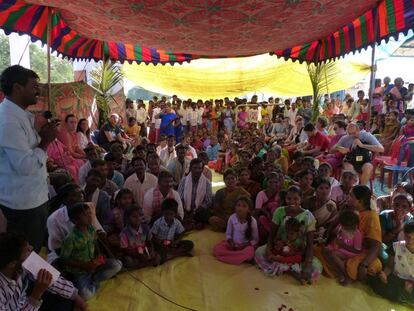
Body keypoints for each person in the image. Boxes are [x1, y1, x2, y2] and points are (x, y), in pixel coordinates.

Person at [0, 65, 58, 252]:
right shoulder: (8, 120)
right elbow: (25, 166)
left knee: (33, 249)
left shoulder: (21, 115)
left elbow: (29, 151)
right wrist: (46, 142)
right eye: (34, 86)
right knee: (25, 255)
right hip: (23, 204)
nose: (38, 91)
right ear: (17, 88)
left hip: (34, 197)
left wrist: (42, 136)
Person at [0, 232, 87, 311]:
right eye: (27, 250)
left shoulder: (21, 263)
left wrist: (76, 297)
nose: (31, 248)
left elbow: (52, 278)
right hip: (23, 305)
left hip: (24, 300)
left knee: (67, 297)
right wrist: (36, 295)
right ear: (12, 263)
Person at [255, 186, 322, 283]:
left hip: (298, 251)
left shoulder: (308, 216)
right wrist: (269, 250)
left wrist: (308, 263)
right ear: (285, 199)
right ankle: (291, 270)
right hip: (280, 249)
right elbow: (271, 235)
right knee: (259, 253)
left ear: (301, 199)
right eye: (289, 198)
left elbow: (310, 243)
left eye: (296, 199)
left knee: (315, 269)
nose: (292, 202)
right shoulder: (279, 211)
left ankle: (282, 267)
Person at [317, 185, 383, 282]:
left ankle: (344, 273)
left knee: (371, 266)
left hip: (359, 252)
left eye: (351, 196)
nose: (347, 198)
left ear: (360, 201)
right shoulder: (352, 209)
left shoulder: (371, 217)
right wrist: (341, 210)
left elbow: (376, 245)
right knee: (319, 251)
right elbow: (333, 225)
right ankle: (341, 271)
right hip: (343, 246)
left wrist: (364, 265)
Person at [60, 203, 122, 300]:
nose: (90, 216)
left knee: (117, 264)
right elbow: (64, 259)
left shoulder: (91, 229)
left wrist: (99, 254)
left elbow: (95, 242)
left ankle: (94, 279)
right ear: (75, 220)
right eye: (85, 215)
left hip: (94, 265)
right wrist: (85, 266)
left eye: (90, 213)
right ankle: (93, 282)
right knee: (85, 295)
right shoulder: (70, 238)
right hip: (80, 271)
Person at [368, 221, 414, 305]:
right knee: (379, 283)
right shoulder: (397, 247)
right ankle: (404, 298)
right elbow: (389, 266)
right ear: (404, 235)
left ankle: (404, 297)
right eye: (408, 237)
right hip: (397, 278)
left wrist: (411, 284)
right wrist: (385, 275)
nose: (410, 241)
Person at [213, 196, 259, 265]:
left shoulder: (253, 221)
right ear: (235, 207)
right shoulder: (232, 218)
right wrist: (231, 243)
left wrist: (244, 245)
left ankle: (231, 257)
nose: (240, 208)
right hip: (233, 245)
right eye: (238, 205)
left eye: (244, 206)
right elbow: (228, 234)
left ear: (248, 209)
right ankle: (238, 258)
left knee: (250, 251)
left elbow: (255, 240)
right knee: (217, 249)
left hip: (245, 247)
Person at [323, 210, 363, 285]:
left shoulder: (357, 234)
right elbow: (339, 239)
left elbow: (357, 251)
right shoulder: (343, 229)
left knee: (333, 254)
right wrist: (336, 241)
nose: (344, 228)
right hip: (342, 249)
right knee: (325, 250)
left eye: (346, 226)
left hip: (351, 252)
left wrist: (342, 245)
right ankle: (339, 272)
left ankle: (347, 275)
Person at [151, 199, 194, 263]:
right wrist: (159, 242)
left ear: (175, 214)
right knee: (160, 252)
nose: (168, 216)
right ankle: (177, 253)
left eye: (171, 214)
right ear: (162, 212)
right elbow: (152, 236)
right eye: (166, 214)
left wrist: (177, 241)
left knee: (190, 244)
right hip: (161, 244)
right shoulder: (157, 223)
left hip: (171, 243)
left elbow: (181, 232)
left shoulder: (176, 222)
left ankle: (172, 254)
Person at [178, 158, 213, 228]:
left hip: (199, 211)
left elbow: (207, 201)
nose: (197, 170)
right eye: (195, 168)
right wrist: (184, 211)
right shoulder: (184, 181)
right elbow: (180, 197)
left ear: (202, 169)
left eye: (199, 168)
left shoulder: (207, 183)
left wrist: (195, 212)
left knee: (206, 213)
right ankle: (192, 223)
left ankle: (191, 222)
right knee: (176, 214)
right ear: (190, 169)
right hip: (185, 210)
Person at [302, 178, 337, 243]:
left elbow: (330, 224)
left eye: (327, 188)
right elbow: (303, 219)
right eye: (321, 188)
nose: (324, 191)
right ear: (315, 189)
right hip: (306, 231)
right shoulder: (307, 201)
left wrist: (321, 231)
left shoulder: (332, 205)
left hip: (322, 233)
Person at [255, 172, 283, 242]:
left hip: (277, 219)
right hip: (265, 219)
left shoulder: (280, 193)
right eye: (270, 182)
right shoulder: (261, 194)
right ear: (266, 182)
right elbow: (257, 210)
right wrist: (267, 213)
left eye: (275, 182)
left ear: (279, 183)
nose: (273, 184)